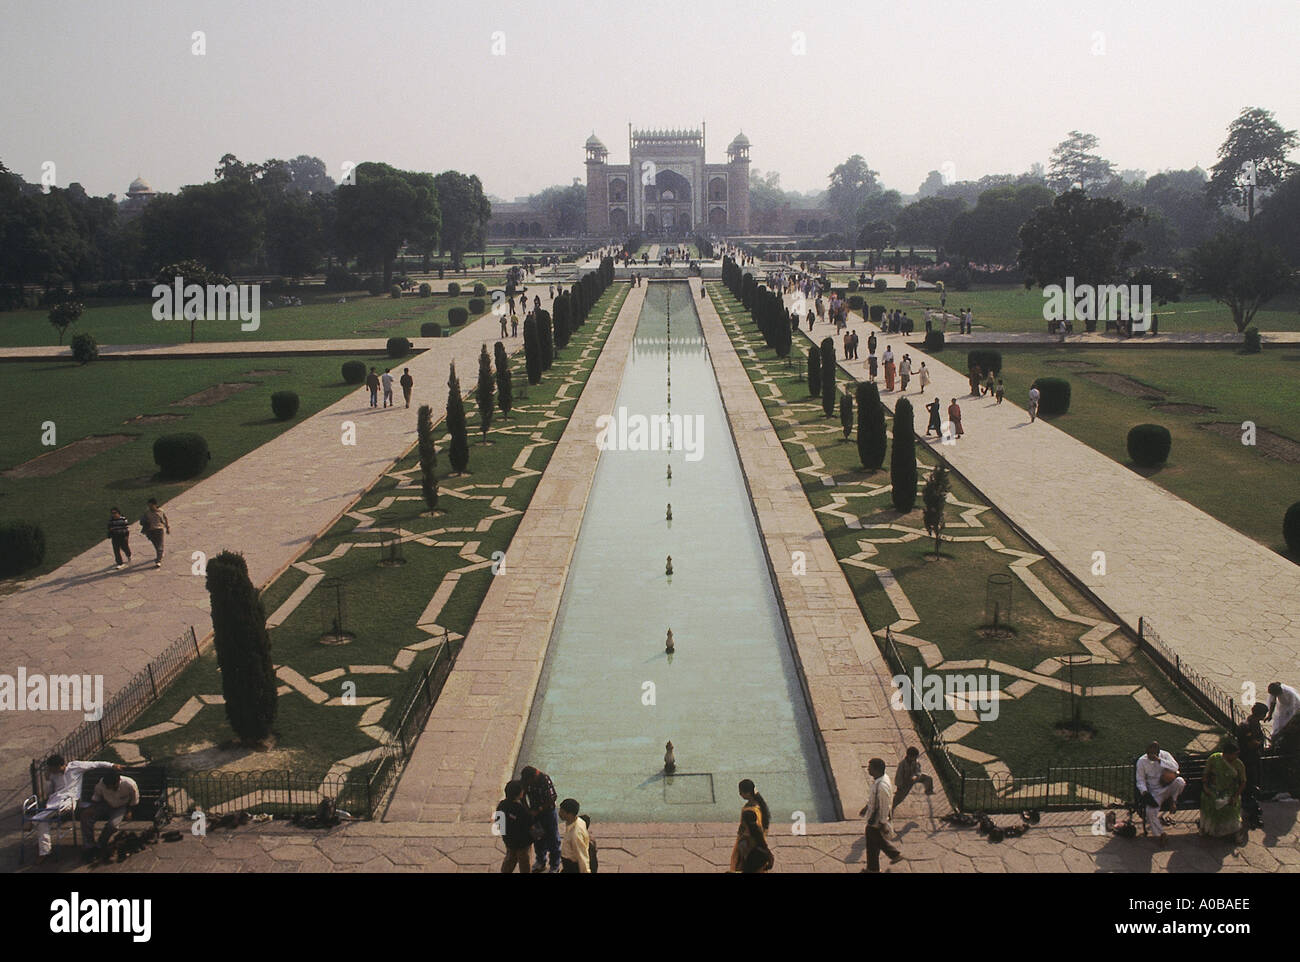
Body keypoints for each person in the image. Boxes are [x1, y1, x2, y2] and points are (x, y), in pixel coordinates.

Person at [30, 756, 120, 863]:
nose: (52, 771)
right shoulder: (53, 774)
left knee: (58, 809)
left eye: (52, 768)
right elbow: (49, 788)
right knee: (42, 822)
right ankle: (44, 852)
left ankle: (34, 819)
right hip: (54, 801)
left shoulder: (75, 766)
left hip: (70, 801)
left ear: (60, 766)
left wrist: (112, 765)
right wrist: (48, 776)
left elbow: (95, 764)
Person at [1136, 741, 1185, 847]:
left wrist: (1160, 761)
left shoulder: (1165, 755)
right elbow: (1140, 780)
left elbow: (1175, 767)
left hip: (1167, 787)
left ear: (1158, 753)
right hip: (1155, 792)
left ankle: (1173, 800)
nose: (1150, 756)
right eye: (1149, 754)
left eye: (1153, 754)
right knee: (1150, 812)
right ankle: (1161, 834)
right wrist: (1144, 792)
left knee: (1180, 781)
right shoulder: (1141, 761)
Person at [79, 770, 139, 856]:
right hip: (105, 804)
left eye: (112, 786)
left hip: (121, 807)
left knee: (113, 825)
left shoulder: (130, 784)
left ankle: (101, 843)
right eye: (108, 787)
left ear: (118, 782)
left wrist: (129, 811)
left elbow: (134, 800)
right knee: (86, 817)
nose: (110, 788)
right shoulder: (101, 784)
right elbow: (96, 797)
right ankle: (89, 846)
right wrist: (91, 809)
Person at [858, 758, 902, 872]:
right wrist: (866, 807)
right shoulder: (879, 780)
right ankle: (873, 868)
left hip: (877, 820)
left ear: (876, 770)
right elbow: (874, 799)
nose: (868, 769)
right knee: (872, 843)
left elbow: (884, 805)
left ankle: (894, 854)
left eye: (870, 768)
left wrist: (882, 822)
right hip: (874, 817)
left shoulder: (882, 786)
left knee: (874, 837)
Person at [1199, 741, 1248, 843]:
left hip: (1230, 792)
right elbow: (1205, 775)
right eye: (1234, 754)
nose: (1236, 756)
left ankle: (1235, 831)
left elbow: (1243, 782)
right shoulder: (1214, 758)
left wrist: (1235, 796)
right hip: (1213, 789)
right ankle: (1208, 829)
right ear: (1226, 754)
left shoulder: (1239, 764)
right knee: (1211, 801)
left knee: (1229, 803)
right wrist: (1205, 787)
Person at [520, 765, 561, 872]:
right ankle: (540, 861)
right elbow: (522, 795)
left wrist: (539, 809)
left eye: (529, 782)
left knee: (553, 840)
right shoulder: (525, 781)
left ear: (534, 777)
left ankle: (554, 865)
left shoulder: (544, 780)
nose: (528, 784)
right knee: (538, 838)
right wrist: (527, 809)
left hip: (548, 813)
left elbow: (552, 798)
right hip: (535, 815)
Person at [495, 780, 534, 874]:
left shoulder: (502, 805)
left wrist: (505, 836)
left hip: (509, 841)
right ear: (519, 794)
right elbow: (529, 824)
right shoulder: (521, 809)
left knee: (509, 860)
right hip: (523, 843)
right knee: (525, 863)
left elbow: (499, 822)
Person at [1236, 702, 1269, 806]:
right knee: (1250, 781)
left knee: (1252, 781)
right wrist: (1260, 743)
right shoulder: (1249, 725)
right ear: (1261, 714)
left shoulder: (1251, 722)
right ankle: (1248, 802)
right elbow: (1251, 744)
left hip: (1250, 757)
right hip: (1249, 758)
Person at [558, 798, 591, 873]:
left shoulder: (575, 834)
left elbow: (582, 856)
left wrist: (585, 871)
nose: (559, 813)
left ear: (569, 814)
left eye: (562, 812)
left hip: (572, 866)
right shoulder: (579, 821)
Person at [141, 498, 169, 568]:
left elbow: (165, 519)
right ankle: (160, 553)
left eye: (151, 506)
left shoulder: (161, 511)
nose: (150, 507)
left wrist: (167, 527)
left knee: (160, 545)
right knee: (155, 544)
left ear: (155, 505)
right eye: (149, 506)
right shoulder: (147, 513)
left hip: (159, 529)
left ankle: (158, 560)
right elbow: (142, 522)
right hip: (150, 531)